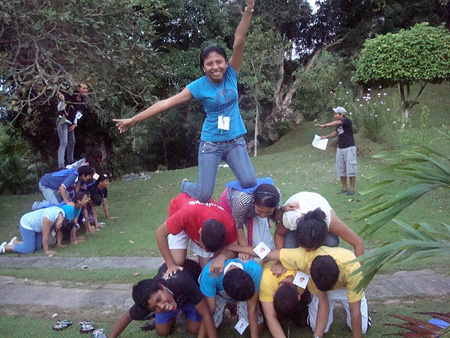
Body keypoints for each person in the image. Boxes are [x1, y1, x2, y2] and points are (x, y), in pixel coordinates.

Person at [114, 0, 257, 203]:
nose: (215, 67)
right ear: (203, 68)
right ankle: (185, 185)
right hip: (211, 143)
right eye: (210, 64)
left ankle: (229, 199)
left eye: (219, 62)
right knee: (204, 194)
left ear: (226, 62)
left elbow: (239, 40)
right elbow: (166, 103)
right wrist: (134, 120)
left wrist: (249, 9)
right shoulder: (197, 86)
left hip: (234, 140)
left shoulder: (232, 74)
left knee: (250, 181)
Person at [228, 244, 370, 338]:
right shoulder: (304, 262)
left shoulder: (352, 269)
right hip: (322, 285)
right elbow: (264, 252)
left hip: (346, 285)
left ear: (300, 297)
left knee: (361, 327)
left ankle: (365, 316)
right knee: (318, 326)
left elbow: (354, 309)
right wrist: (229, 248)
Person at [110, 259, 217, 338]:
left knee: (194, 329)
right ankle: (173, 315)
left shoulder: (183, 282)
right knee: (162, 332)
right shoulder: (148, 298)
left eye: (159, 299)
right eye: (154, 308)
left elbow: (206, 313)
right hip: (174, 297)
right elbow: (127, 316)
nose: (161, 306)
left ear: (162, 287)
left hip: (190, 297)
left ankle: (183, 313)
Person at [155, 193, 238, 278]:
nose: (206, 251)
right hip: (181, 218)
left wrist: (222, 256)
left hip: (198, 219)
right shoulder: (186, 213)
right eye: (203, 247)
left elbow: (235, 248)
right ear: (199, 232)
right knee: (177, 260)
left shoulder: (229, 224)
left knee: (206, 269)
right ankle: (165, 274)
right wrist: (170, 265)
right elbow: (160, 234)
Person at [275, 191, 364, 256]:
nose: (308, 251)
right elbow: (278, 234)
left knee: (331, 242)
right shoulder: (290, 218)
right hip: (297, 215)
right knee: (289, 249)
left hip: (317, 206)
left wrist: (358, 277)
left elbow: (358, 243)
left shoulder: (330, 220)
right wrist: (281, 260)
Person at [199, 258, 263, 338]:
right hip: (217, 294)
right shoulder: (209, 275)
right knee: (207, 326)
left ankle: (235, 309)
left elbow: (252, 308)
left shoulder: (255, 269)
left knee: (259, 328)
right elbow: (208, 312)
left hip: (242, 291)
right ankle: (229, 307)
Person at [218, 178, 281, 250]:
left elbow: (276, 216)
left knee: (263, 244)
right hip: (231, 206)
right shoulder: (242, 201)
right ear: (253, 200)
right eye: (259, 211)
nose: (263, 216)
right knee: (233, 243)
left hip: (251, 207)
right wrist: (245, 249)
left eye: (268, 212)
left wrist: (284, 209)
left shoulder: (276, 195)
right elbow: (238, 226)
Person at [259, 260, 311, 338]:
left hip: (295, 292)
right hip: (268, 284)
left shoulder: (302, 276)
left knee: (302, 322)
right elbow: (270, 317)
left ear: (299, 297)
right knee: (272, 321)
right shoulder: (266, 281)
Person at [315, 106, 357, 195]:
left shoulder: (346, 121)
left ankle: (352, 189)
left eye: (336, 114)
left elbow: (337, 122)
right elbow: (336, 132)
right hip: (340, 148)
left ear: (341, 114)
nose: (335, 116)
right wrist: (325, 137)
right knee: (341, 168)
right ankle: (344, 188)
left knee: (351, 168)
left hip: (349, 147)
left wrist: (324, 125)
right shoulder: (338, 124)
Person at [0, 206, 65, 256]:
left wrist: (59, 244)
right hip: (27, 224)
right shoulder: (48, 219)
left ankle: (15, 242)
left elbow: (59, 231)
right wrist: (47, 251)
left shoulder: (61, 214)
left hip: (37, 226)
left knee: (38, 247)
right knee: (29, 249)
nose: (59, 227)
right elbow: (45, 235)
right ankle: (6, 247)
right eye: (59, 226)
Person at [56, 83, 89, 169]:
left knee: (72, 141)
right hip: (62, 121)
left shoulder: (82, 100)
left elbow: (78, 113)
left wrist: (75, 123)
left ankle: (70, 160)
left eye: (86, 89)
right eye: (84, 88)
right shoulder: (69, 96)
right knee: (64, 142)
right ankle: (61, 164)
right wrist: (62, 100)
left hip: (70, 123)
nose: (86, 90)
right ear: (78, 88)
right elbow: (60, 108)